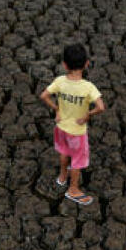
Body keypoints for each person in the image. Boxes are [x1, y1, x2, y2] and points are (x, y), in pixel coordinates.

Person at [40, 44, 106, 205]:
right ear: (86, 64)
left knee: (64, 152)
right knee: (76, 161)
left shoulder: (60, 81)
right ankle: (73, 189)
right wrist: (88, 115)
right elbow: (101, 107)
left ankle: (62, 177)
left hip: (61, 127)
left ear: (64, 64)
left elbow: (44, 96)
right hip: (77, 131)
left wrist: (57, 109)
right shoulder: (88, 87)